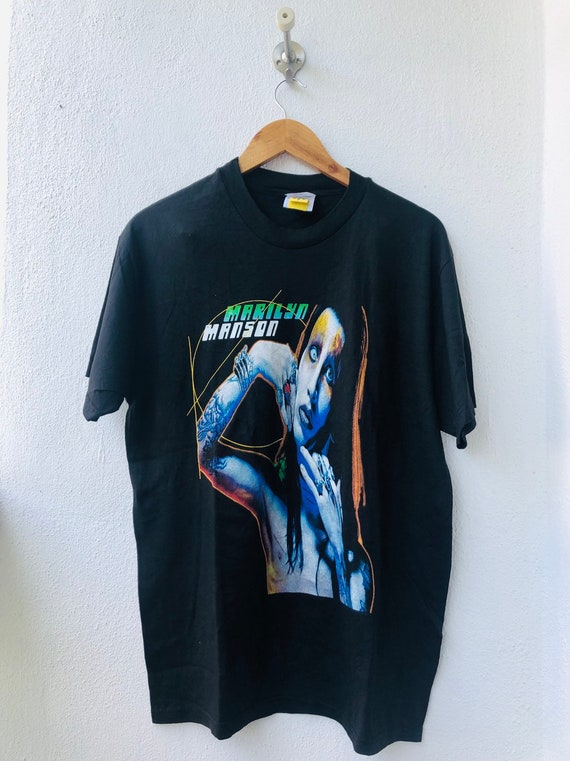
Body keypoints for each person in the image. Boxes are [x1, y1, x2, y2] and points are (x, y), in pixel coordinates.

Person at [197, 306, 373, 613]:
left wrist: (336, 543)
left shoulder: (355, 565)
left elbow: (354, 624)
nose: (313, 387)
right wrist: (256, 359)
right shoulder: (269, 496)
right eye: (313, 354)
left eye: (331, 374)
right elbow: (203, 455)